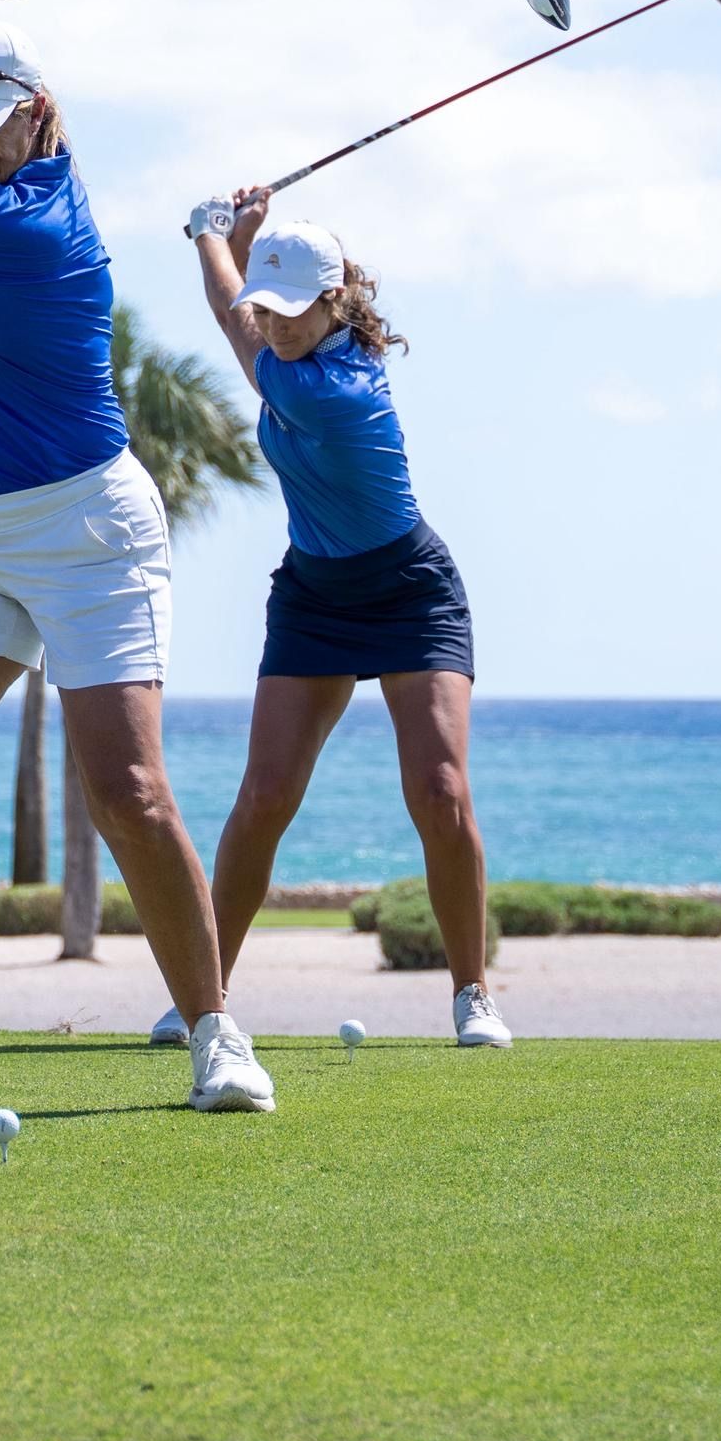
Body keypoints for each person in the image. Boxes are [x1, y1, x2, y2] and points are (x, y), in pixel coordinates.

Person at [0, 0, 275, 1116]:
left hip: (88, 537)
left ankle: (215, 1030)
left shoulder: (20, 226)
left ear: (36, 113)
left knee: (129, 790)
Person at [184, 185, 511, 1047]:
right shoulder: (295, 348)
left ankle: (473, 994)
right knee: (264, 797)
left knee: (440, 791)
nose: (277, 324)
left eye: (294, 309)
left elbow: (229, 314)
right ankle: (203, 995)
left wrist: (209, 235)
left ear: (335, 301)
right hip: (315, 596)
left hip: (410, 589)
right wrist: (246, 237)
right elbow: (242, 307)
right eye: (271, 308)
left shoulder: (334, 387)